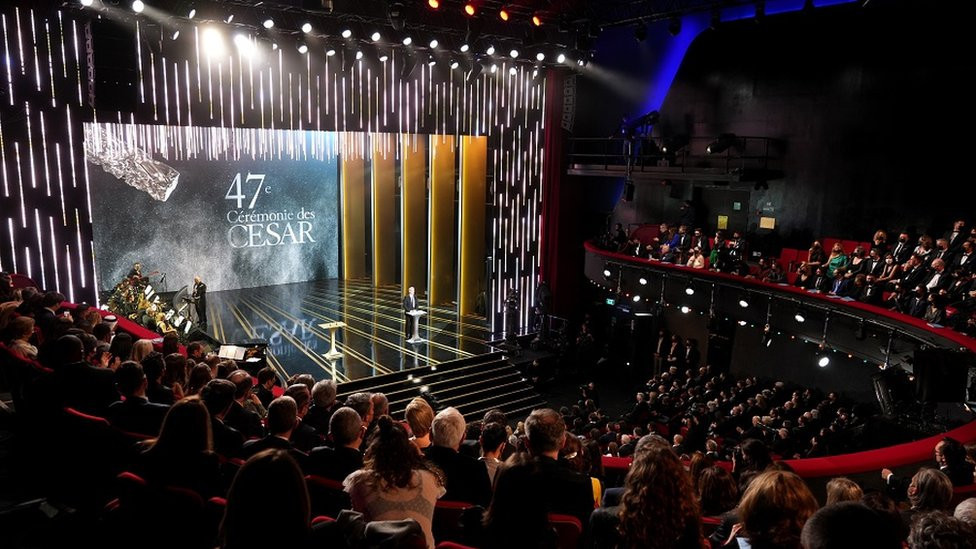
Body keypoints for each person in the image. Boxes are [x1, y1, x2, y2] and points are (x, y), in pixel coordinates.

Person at [344, 415, 445, 548]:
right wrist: (417, 455)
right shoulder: (431, 478)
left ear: (373, 450)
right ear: (409, 448)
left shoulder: (360, 481)